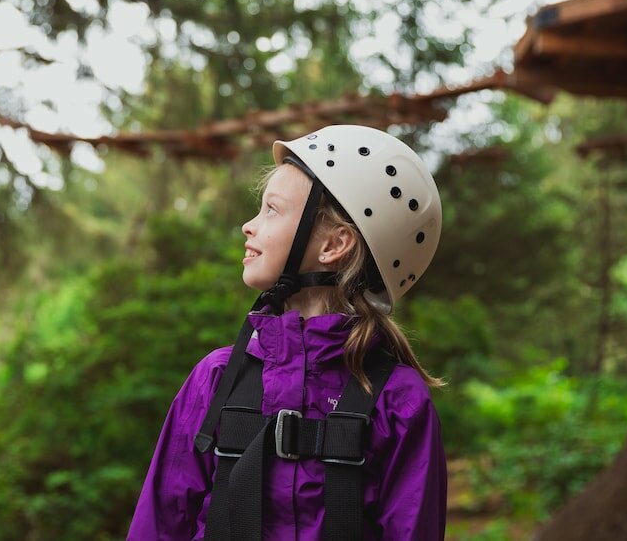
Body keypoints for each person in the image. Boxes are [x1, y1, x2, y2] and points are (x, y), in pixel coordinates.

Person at [128, 125, 447, 540]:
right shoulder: (218, 379)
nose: (248, 225)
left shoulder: (398, 402)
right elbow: (159, 525)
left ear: (335, 245)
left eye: (272, 210)